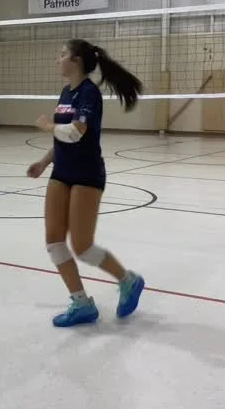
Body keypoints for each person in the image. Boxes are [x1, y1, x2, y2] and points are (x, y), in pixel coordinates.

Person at [28, 39, 145, 328]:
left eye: (62, 54)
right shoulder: (66, 92)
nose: (58, 60)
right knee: (54, 241)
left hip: (87, 174)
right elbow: (62, 138)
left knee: (82, 246)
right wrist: (44, 161)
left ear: (77, 60)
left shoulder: (89, 93)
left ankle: (128, 281)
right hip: (61, 172)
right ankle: (81, 303)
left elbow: (75, 132)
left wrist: (47, 125)